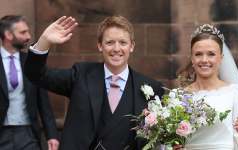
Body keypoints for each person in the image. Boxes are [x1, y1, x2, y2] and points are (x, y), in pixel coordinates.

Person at [24, 15, 165, 150]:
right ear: (99, 45)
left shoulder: (152, 88)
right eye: (109, 42)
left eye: (123, 42)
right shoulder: (80, 76)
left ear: (132, 46)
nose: (116, 49)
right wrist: (44, 41)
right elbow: (36, 75)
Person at [176, 24, 238, 150]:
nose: (204, 60)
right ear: (192, 58)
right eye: (198, 54)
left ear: (221, 58)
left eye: (211, 54)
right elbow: (170, 141)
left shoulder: (235, 92)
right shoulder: (178, 96)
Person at [0, 15, 59, 150]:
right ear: (8, 34)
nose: (28, 36)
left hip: (28, 134)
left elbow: (43, 102)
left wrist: (52, 135)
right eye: (23, 32)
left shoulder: (32, 62)